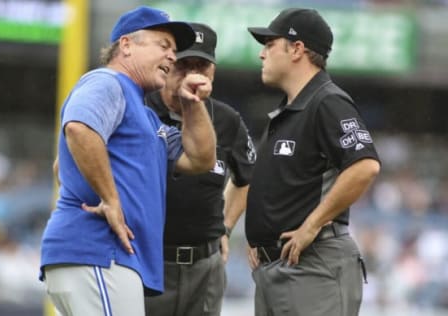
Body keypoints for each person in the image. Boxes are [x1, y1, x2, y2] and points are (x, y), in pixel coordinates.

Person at [39, 6, 216, 316]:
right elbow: (79, 129)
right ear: (126, 45)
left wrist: (192, 105)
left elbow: (200, 159)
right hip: (99, 251)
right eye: (163, 45)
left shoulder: (145, 114)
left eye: (174, 50)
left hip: (98, 256)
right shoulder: (109, 82)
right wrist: (109, 198)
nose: (173, 57)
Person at [245, 8, 381, 316]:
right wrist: (261, 238)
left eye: (269, 45)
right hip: (278, 268)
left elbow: (365, 165)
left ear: (297, 49)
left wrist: (311, 224)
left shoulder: (327, 100)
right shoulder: (289, 111)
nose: (261, 55)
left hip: (313, 264)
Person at [144, 22, 256, 316]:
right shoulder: (140, 109)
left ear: (213, 73)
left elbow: (246, 179)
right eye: (185, 65)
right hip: (147, 261)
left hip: (204, 265)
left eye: (202, 66)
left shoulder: (227, 120)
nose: (193, 75)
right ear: (168, 66)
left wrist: (226, 227)